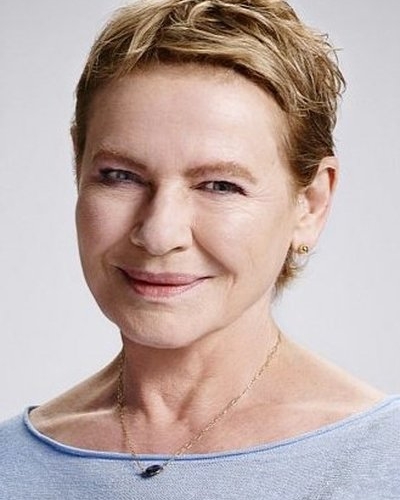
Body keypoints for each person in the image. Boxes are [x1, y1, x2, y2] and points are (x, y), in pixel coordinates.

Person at [1, 0, 399, 498]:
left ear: (311, 204)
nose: (159, 233)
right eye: (120, 176)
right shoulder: (10, 463)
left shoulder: (385, 459)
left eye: (220, 185)